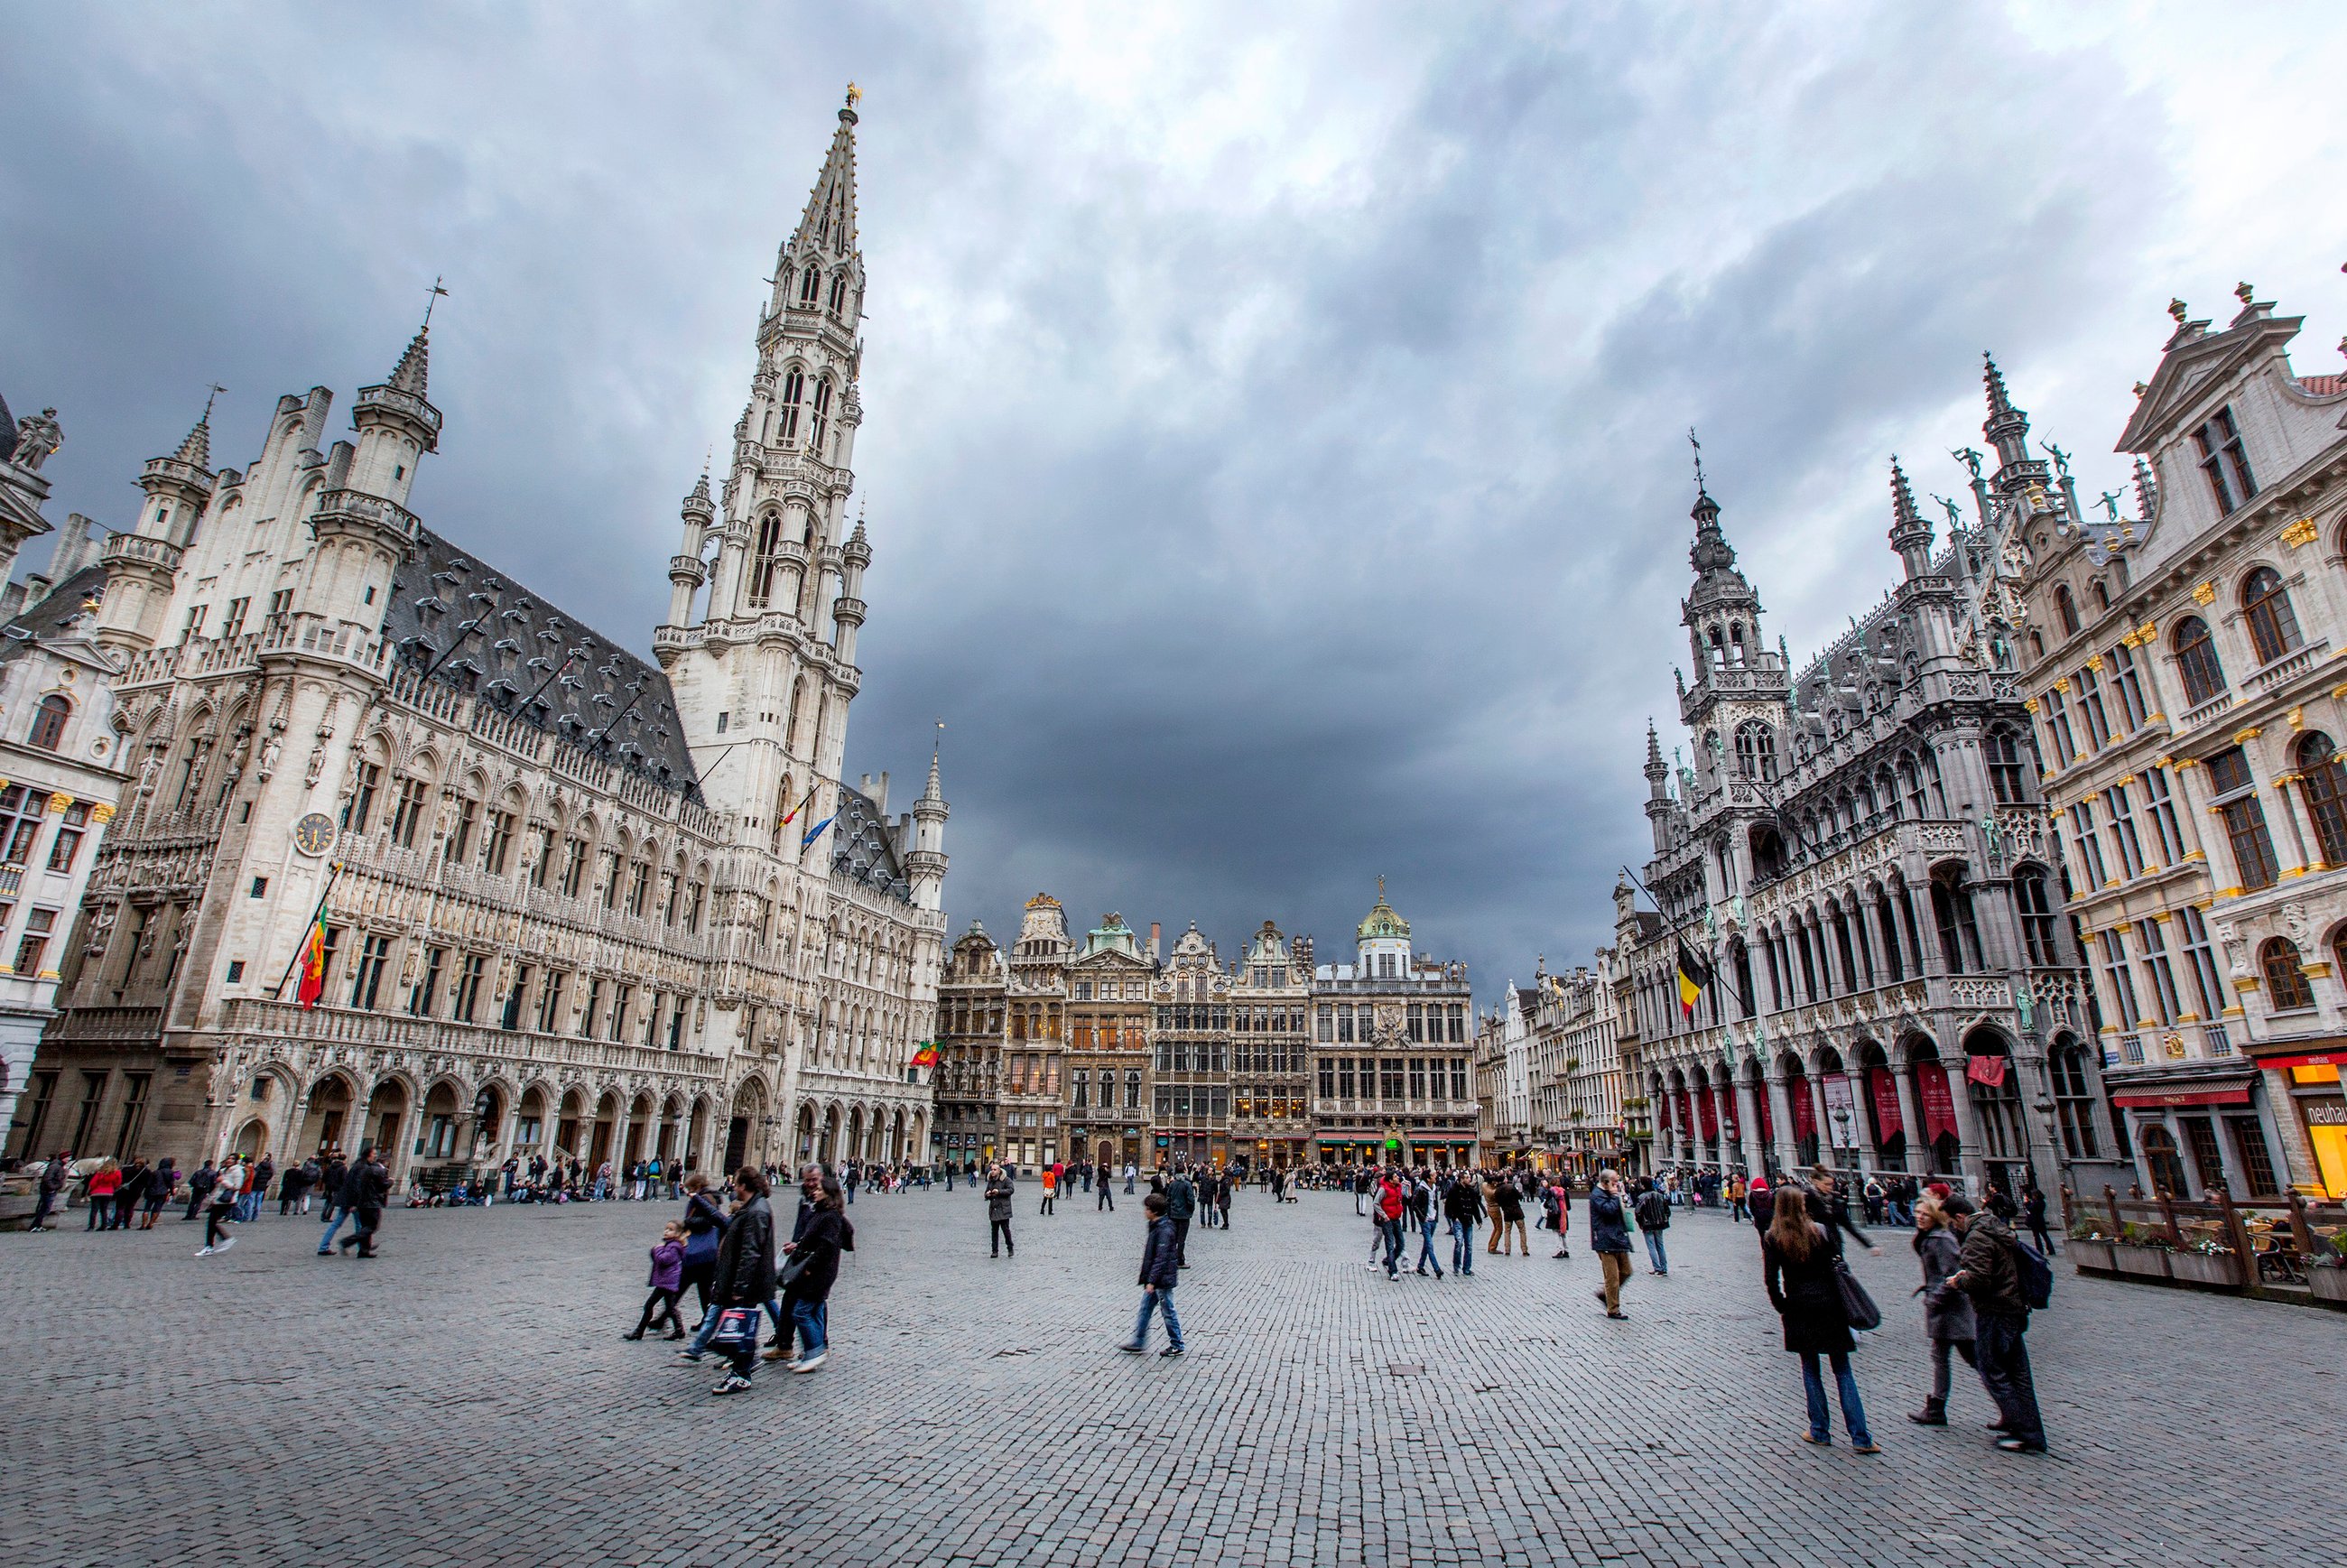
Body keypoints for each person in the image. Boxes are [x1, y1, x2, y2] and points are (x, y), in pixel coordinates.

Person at [1761, 1175, 1878, 1452]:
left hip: (1799, 1307)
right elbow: (1837, 1267)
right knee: (1843, 1371)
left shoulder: (1773, 1238)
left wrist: (1782, 1305)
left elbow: (1770, 1279)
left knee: (1811, 1369)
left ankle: (1819, 1430)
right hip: (1830, 1305)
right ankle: (1861, 1437)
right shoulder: (1821, 1232)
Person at [1943, 1194, 2046, 1453]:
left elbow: (1980, 1280)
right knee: (2019, 1375)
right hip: (2013, 1306)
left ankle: (2022, 1431)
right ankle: (2032, 1434)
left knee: (1993, 1371)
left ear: (1959, 1217)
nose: (1953, 1230)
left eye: (1952, 1224)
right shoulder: (1996, 1227)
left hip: (1995, 1310)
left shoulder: (1977, 1237)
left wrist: (1959, 1282)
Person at [1906, 1196, 1977, 1426]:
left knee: (1976, 1360)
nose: (1919, 1217)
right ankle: (1936, 1407)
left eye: (1924, 1214)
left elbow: (1954, 1275)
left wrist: (1935, 1298)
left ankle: (2009, 1404)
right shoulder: (1930, 1238)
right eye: (1917, 1213)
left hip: (1951, 1309)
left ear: (1935, 1216)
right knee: (1941, 1357)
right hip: (1943, 1310)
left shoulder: (1942, 1239)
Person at [709, 1167, 777, 1396]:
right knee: (741, 1329)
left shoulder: (757, 1211)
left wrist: (739, 1286)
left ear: (745, 1186)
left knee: (741, 1328)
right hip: (742, 1280)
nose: (733, 1187)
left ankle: (741, 1373)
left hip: (745, 1283)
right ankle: (742, 1367)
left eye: (736, 1183)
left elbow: (751, 1252)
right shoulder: (752, 1207)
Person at [778, 1176, 849, 1373]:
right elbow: (813, 1238)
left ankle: (814, 1352)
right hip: (817, 1270)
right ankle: (813, 1353)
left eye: (818, 1189)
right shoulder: (820, 1212)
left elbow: (826, 1245)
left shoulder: (830, 1216)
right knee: (815, 1311)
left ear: (829, 1193)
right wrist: (798, 1245)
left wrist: (810, 1266)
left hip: (819, 1272)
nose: (814, 1191)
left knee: (801, 1312)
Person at [1118, 1192, 1184, 1357]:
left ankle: (1177, 1344)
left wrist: (1152, 1281)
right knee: (1145, 1309)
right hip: (1157, 1278)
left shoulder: (1164, 1229)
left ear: (1153, 1211)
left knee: (1168, 1310)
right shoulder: (1158, 1226)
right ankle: (1139, 1341)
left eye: (1146, 1209)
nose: (1144, 1212)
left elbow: (1161, 1258)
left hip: (1161, 1280)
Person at [626, 1220, 690, 1341]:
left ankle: (639, 1332)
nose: (666, 1231)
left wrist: (658, 1249)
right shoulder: (669, 1245)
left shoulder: (674, 1247)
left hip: (667, 1282)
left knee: (650, 1305)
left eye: (670, 1230)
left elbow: (663, 1260)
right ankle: (679, 1330)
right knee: (670, 1307)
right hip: (666, 1281)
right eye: (666, 1228)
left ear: (677, 1234)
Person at [679, 1172, 727, 1327]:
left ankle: (666, 1317)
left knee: (681, 1286)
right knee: (703, 1290)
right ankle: (708, 1320)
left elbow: (709, 1221)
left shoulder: (705, 1199)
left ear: (697, 1187)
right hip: (705, 1252)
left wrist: (688, 1222)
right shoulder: (707, 1197)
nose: (687, 1192)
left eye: (689, 1188)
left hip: (701, 1250)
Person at [1588, 1169, 1634, 1320]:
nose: (1617, 1185)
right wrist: (1615, 1196)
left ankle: (1606, 1295)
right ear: (1606, 1182)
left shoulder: (1609, 1193)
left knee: (1626, 1271)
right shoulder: (1597, 1195)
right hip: (1605, 1240)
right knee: (1612, 1277)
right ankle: (1613, 1309)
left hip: (1618, 1238)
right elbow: (1608, 1211)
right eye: (1614, 1182)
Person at [336, 1145, 390, 1258]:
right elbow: (358, 1186)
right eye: (374, 1154)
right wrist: (390, 1182)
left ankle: (364, 1251)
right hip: (369, 1201)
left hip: (364, 1201)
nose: (375, 1156)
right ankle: (347, 1242)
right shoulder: (364, 1168)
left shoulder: (363, 1166)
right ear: (368, 1154)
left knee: (365, 1226)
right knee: (372, 1226)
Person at [199, 1156, 246, 1256]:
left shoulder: (238, 1172)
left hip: (227, 1201)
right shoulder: (223, 1170)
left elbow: (237, 1187)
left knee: (212, 1222)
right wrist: (211, 1198)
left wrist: (223, 1180)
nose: (229, 1161)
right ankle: (214, 1244)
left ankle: (215, 1244)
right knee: (211, 1222)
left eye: (232, 1159)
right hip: (218, 1199)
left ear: (236, 1161)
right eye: (228, 1159)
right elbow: (217, 1187)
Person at [1442, 1171, 1480, 1276]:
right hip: (1458, 1220)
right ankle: (1456, 1265)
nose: (1469, 1179)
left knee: (1469, 1245)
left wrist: (1478, 1219)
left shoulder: (1471, 1191)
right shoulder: (1454, 1190)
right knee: (1459, 1243)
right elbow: (1448, 1206)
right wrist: (1454, 1217)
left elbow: (1474, 1205)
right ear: (1461, 1179)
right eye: (1467, 1178)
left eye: (1469, 1177)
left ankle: (1467, 1268)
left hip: (1468, 1220)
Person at [1407, 1174, 1443, 1279]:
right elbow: (1414, 1204)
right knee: (1430, 1245)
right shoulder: (1420, 1189)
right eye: (1433, 1176)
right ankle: (1437, 1269)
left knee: (1427, 1244)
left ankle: (1420, 1266)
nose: (1436, 1177)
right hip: (1425, 1221)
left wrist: (1436, 1216)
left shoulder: (1434, 1188)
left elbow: (1434, 1203)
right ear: (1428, 1179)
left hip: (1433, 1220)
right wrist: (1422, 1217)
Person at [1634, 1178, 1672, 1276]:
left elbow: (1638, 1212)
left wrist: (1640, 1222)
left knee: (1651, 1247)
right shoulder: (1659, 1195)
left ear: (1643, 1185)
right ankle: (1664, 1267)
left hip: (1648, 1225)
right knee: (1660, 1246)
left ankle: (1657, 1267)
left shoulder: (1642, 1197)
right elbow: (1667, 1210)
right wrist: (1664, 1218)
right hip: (1659, 1224)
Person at [316, 1155, 353, 1254]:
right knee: (333, 1203)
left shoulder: (330, 1167)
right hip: (339, 1190)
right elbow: (345, 1180)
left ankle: (324, 1215)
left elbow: (324, 1177)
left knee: (328, 1202)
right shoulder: (343, 1168)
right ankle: (328, 1216)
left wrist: (328, 1184)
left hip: (329, 1187)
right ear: (344, 1160)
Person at [30, 1150, 70, 1231]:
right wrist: (52, 1187)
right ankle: (34, 1226)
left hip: (51, 1190)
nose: (69, 1159)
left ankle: (38, 1225)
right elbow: (47, 1178)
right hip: (48, 1190)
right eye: (67, 1157)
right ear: (63, 1158)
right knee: (44, 1209)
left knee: (45, 1209)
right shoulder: (55, 1166)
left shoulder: (59, 1166)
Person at [1165, 1165, 1196, 1267]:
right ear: (1184, 1171)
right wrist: (1190, 1210)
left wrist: (1169, 1212)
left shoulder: (1172, 1184)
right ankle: (1180, 1261)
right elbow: (1191, 1200)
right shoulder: (1187, 1184)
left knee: (1173, 1239)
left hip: (1173, 1215)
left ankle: (1171, 1259)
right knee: (1181, 1240)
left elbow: (1168, 1199)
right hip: (1184, 1216)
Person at [1492, 1175, 1528, 1256]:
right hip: (1517, 1211)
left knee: (1507, 1232)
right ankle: (1524, 1249)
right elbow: (1520, 1196)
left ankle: (1507, 1250)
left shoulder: (1497, 1191)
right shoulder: (1510, 1187)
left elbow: (1499, 1203)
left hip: (1507, 1213)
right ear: (1504, 1180)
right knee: (1522, 1231)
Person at [986, 1164, 1016, 1258]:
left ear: (999, 1171)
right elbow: (986, 1193)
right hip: (994, 1209)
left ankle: (1010, 1247)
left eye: (995, 1170)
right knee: (994, 1231)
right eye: (992, 1170)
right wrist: (987, 1194)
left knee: (1005, 1230)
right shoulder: (990, 1181)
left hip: (1003, 1209)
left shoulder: (1006, 1180)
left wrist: (999, 1191)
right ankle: (995, 1251)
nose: (993, 1171)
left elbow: (1011, 1190)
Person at [85, 1157, 121, 1232]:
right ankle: (103, 1226)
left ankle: (91, 1226)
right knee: (104, 1210)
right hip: (108, 1192)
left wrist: (91, 1190)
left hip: (97, 1192)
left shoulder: (100, 1172)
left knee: (94, 1210)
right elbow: (118, 1183)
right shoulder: (117, 1173)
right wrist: (113, 1188)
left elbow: (93, 1183)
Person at [141, 1158, 179, 1229]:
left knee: (147, 1208)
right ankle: (151, 1223)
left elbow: (148, 1183)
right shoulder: (170, 1173)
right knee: (157, 1208)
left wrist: (146, 1191)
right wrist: (171, 1192)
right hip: (163, 1192)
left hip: (152, 1192)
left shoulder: (155, 1172)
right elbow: (171, 1184)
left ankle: (144, 1224)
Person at [2021, 1183, 2054, 1256]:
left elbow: (2031, 1209)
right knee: (2044, 1235)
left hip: (2035, 1221)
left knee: (2037, 1236)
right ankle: (2050, 1249)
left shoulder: (2037, 1203)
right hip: (2040, 1220)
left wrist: (2027, 1203)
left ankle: (2040, 1250)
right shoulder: (2041, 1202)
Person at [1546, 1174, 1572, 1259]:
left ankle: (1559, 1250)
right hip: (1563, 1214)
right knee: (1564, 1232)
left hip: (1554, 1214)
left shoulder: (1551, 1191)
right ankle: (1567, 1250)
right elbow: (1568, 1207)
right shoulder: (1564, 1192)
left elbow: (1547, 1204)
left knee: (1556, 1232)